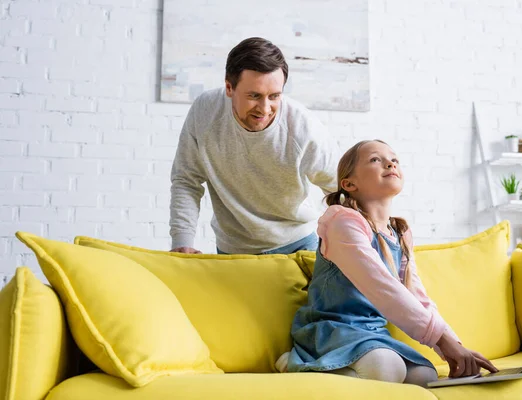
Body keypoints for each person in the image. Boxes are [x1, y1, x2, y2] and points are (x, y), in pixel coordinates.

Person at [275, 140, 498, 386]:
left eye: (394, 159)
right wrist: (444, 342)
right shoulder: (342, 222)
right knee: (386, 367)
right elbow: (384, 289)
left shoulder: (399, 233)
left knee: (425, 376)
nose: (390, 163)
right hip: (333, 330)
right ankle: (301, 364)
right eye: (375, 160)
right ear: (349, 184)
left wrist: (454, 348)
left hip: (373, 333)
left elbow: (417, 298)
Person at [169, 37, 340, 255]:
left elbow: (341, 189)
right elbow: (186, 179)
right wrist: (182, 241)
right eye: (254, 96)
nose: (265, 109)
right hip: (233, 249)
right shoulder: (205, 112)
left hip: (298, 244)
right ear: (229, 88)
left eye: (274, 96)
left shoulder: (303, 129)